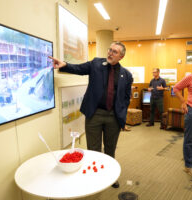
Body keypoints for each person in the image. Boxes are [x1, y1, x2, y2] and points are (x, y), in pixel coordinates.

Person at [49, 42, 133, 188]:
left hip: (113, 117)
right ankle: (95, 177)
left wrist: (122, 113)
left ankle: (109, 175)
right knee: (93, 148)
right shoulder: (96, 64)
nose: (110, 53)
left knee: (110, 148)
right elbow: (79, 68)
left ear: (121, 56)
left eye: (114, 52)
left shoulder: (126, 75)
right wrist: (64, 65)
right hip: (95, 114)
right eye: (110, 49)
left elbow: (126, 98)